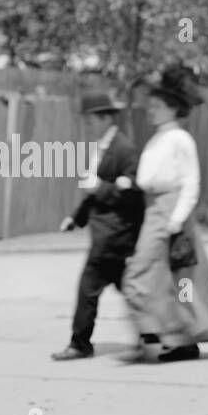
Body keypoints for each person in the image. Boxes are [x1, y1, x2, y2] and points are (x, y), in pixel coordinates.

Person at [121, 65, 208, 362]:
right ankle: (176, 337)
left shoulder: (180, 139)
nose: (150, 110)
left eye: (156, 106)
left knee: (142, 274)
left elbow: (191, 182)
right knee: (165, 278)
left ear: (172, 108)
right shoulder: (158, 138)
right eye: (150, 105)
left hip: (168, 210)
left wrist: (177, 220)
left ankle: (168, 333)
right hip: (153, 208)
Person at [52, 92, 143, 361]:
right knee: (129, 289)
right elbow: (93, 192)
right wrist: (76, 218)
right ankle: (155, 333)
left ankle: (80, 343)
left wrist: (102, 187)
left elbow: (134, 191)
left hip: (115, 234)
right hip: (106, 233)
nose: (87, 126)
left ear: (105, 119)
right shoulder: (102, 147)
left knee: (88, 288)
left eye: (90, 121)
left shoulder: (124, 149)